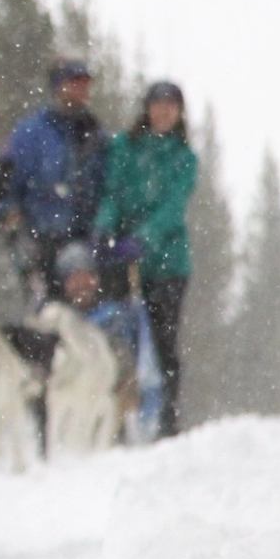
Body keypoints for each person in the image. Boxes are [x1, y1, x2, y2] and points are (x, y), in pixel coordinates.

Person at [95, 80, 197, 437]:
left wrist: (144, 238)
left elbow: (173, 208)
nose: (163, 112)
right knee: (120, 336)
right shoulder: (125, 147)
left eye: (171, 106)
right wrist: (105, 227)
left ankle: (167, 417)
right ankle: (121, 417)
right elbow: (113, 193)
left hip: (168, 263)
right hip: (122, 258)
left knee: (163, 339)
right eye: (158, 104)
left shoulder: (184, 157)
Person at [0, 59, 109, 302]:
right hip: (35, 237)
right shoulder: (30, 133)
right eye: (74, 83)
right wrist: (7, 214)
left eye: (84, 84)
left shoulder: (96, 135)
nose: (81, 90)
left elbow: (107, 187)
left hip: (81, 240)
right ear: (58, 86)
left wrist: (101, 229)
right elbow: (5, 182)